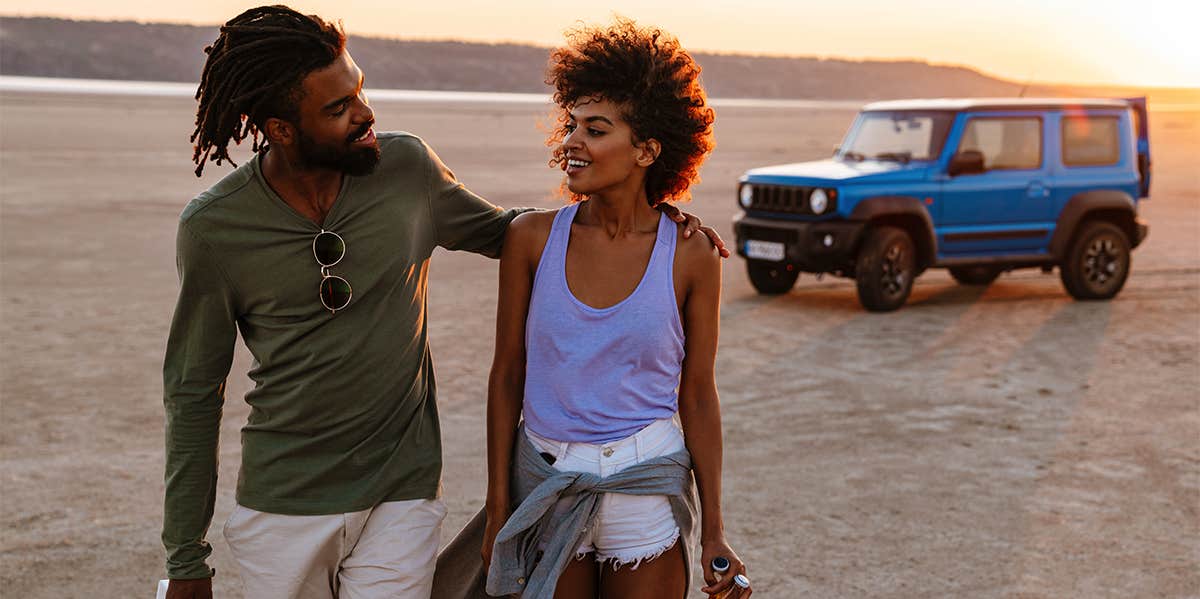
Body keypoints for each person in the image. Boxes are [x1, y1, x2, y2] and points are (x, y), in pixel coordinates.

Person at [161, 6, 725, 599]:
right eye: (338, 108)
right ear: (279, 128)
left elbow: (514, 233)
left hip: (402, 494)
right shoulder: (214, 229)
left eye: (359, 89)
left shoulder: (405, 168)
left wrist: (658, 218)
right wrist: (185, 558)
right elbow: (192, 394)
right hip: (284, 503)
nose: (365, 113)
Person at [481, 19, 750, 599]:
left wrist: (715, 531)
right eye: (571, 124)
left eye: (595, 129)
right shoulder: (530, 239)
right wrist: (498, 504)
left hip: (647, 485)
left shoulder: (692, 252)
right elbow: (507, 373)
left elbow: (698, 393)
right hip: (547, 478)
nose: (571, 142)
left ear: (647, 150)